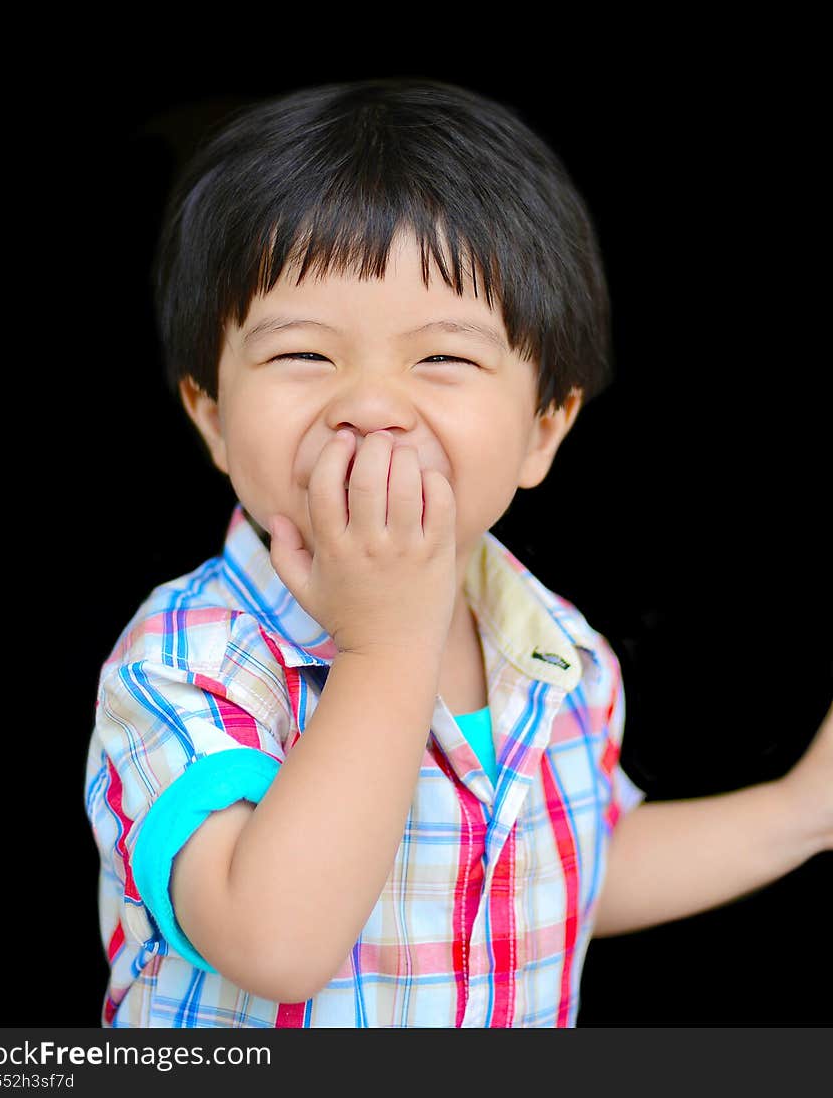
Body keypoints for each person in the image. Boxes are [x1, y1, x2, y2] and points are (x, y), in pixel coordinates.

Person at [84, 78, 832, 1028]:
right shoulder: (186, 660)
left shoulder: (557, 650)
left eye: (442, 358)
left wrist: (807, 810)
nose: (372, 403)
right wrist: (387, 645)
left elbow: (569, 865)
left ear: (544, 430)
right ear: (213, 417)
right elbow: (273, 941)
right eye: (305, 355)